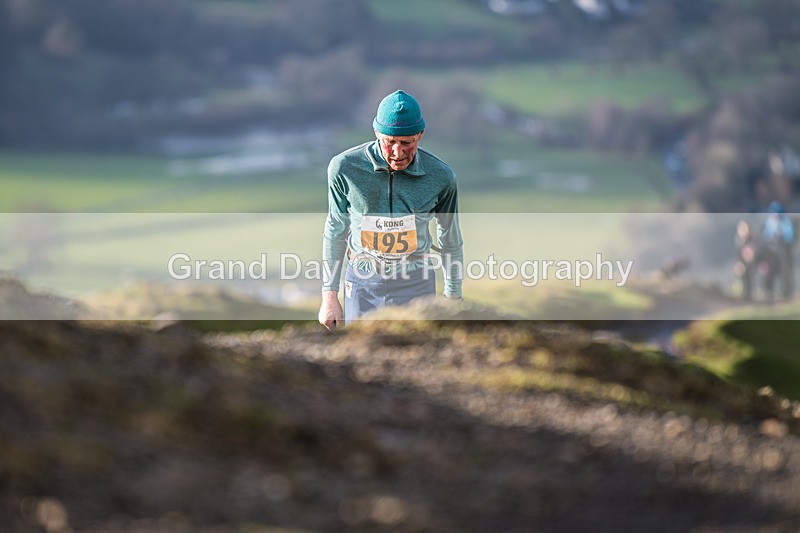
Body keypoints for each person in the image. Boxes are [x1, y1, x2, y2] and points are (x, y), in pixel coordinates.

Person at [318, 90, 464, 331]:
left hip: (417, 284)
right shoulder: (344, 168)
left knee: (419, 352)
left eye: (407, 143)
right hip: (363, 285)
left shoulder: (442, 176)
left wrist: (453, 299)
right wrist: (329, 298)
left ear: (420, 135)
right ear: (376, 133)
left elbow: (450, 240)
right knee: (360, 352)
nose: (397, 152)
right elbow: (335, 231)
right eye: (389, 142)